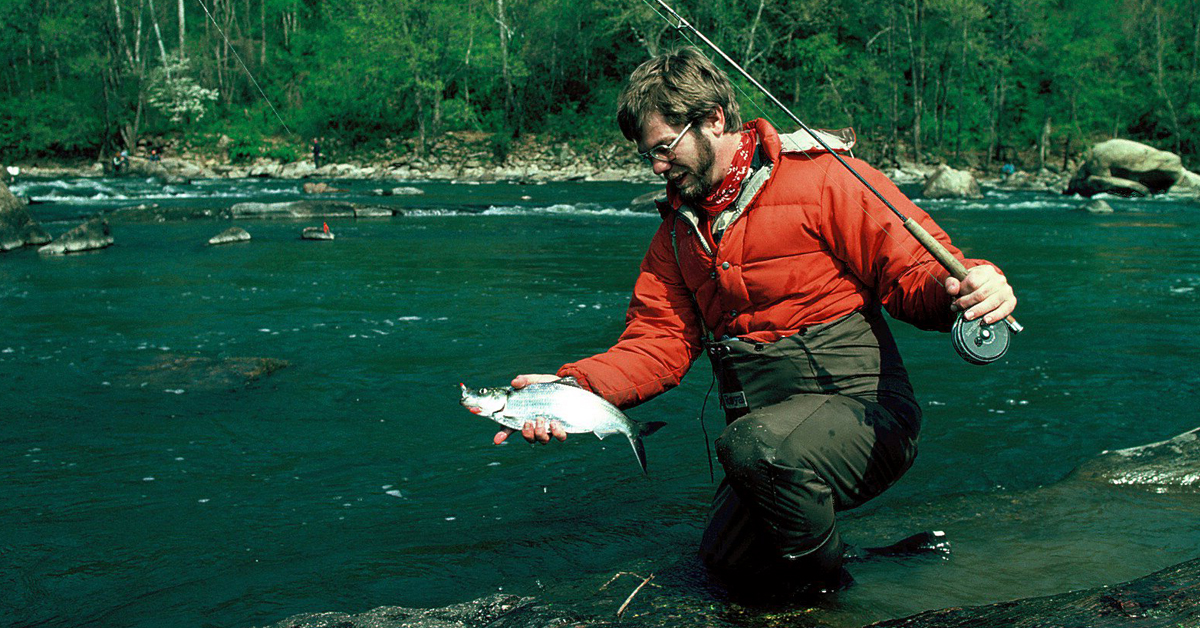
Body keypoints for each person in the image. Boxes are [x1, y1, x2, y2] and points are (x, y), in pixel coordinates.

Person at [494, 47, 1016, 598]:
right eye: (648, 155)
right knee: (724, 564)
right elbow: (657, 343)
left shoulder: (825, 179)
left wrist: (970, 287)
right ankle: (881, 560)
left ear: (714, 120)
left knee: (754, 449)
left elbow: (915, 270)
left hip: (869, 418)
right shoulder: (676, 235)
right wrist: (572, 388)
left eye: (665, 148)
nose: (657, 167)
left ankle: (829, 601)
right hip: (764, 443)